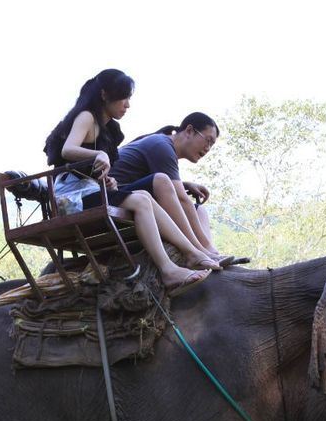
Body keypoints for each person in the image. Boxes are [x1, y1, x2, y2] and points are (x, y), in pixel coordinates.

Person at [42, 69, 219, 294]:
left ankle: (192, 253)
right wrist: (98, 155)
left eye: (129, 99)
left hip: (91, 190)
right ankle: (168, 269)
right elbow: (68, 149)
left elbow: (96, 171)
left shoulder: (108, 131)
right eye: (123, 97)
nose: (127, 105)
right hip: (72, 196)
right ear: (105, 95)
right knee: (141, 201)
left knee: (144, 196)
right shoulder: (87, 116)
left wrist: (110, 183)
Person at [109, 113, 230, 263]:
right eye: (208, 140)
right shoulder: (161, 145)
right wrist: (203, 247)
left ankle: (210, 251)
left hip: (133, 193)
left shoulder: (164, 146)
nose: (208, 148)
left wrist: (184, 185)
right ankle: (200, 251)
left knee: (200, 210)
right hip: (111, 194)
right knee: (164, 182)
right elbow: (180, 198)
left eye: (212, 145)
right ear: (189, 131)